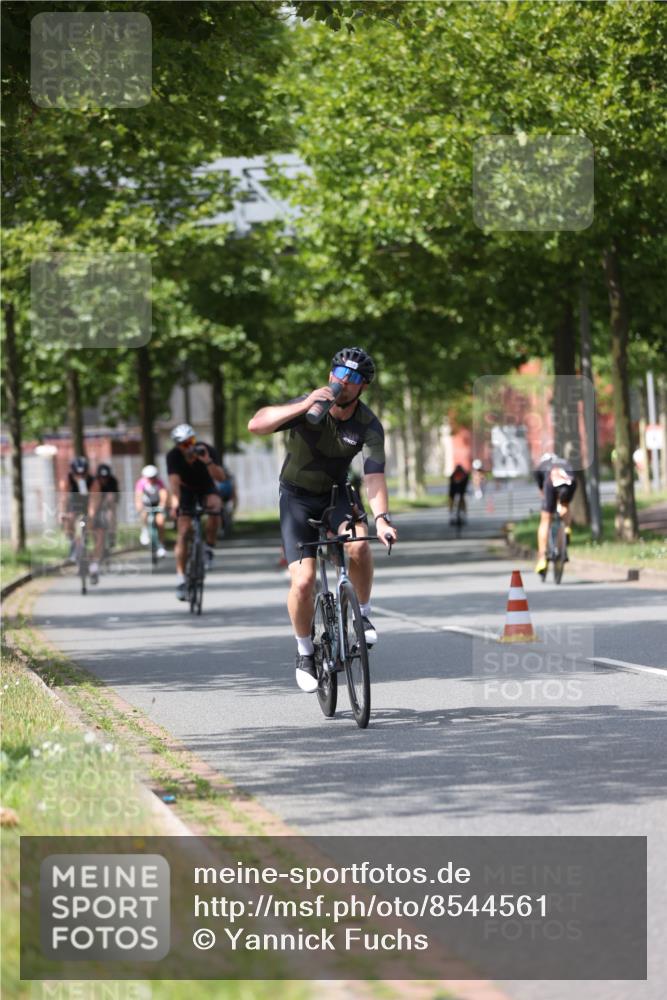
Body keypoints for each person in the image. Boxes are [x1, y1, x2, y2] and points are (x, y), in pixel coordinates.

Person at [248, 346, 397, 693]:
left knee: (359, 545)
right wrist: (304, 405)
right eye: (340, 373)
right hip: (296, 498)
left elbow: (374, 476)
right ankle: (305, 652)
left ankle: (362, 614)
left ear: (363, 387)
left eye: (353, 378)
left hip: (336, 495)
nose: (344, 381)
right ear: (331, 375)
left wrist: (382, 519)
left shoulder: (368, 425)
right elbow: (256, 424)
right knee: (303, 582)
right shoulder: (309, 405)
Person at [166, 424, 225, 601]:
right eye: (184, 444)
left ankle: (209, 548)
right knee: (183, 532)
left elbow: (221, 477)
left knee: (215, 507)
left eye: (191, 441)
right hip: (185, 490)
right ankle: (181, 579)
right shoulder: (173, 456)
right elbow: (174, 483)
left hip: (206, 487)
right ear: (178, 446)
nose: (189, 446)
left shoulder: (205, 450)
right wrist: (175, 503)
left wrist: (207, 461)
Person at [534, 452, 577, 576]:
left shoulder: (541, 466)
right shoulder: (564, 462)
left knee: (545, 519)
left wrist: (546, 500)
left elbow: (542, 489)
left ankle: (542, 558)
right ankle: (567, 528)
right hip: (570, 483)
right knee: (564, 505)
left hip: (550, 482)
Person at [59, 456, 96, 562]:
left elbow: (94, 500)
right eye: (77, 474)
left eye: (83, 474)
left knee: (88, 523)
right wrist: (62, 512)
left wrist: (91, 515)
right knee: (68, 520)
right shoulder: (66, 480)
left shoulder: (93, 482)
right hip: (72, 506)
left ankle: (87, 545)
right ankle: (72, 544)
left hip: (86, 506)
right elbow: (63, 498)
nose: (80, 476)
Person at [88, 462, 120, 583]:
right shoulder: (93, 483)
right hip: (92, 510)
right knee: (95, 540)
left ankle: (112, 532)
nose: (104, 480)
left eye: (106, 477)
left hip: (106, 507)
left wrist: (107, 501)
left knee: (111, 512)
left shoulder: (113, 482)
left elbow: (114, 499)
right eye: (102, 478)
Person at [134, 464, 168, 558]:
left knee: (160, 522)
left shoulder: (159, 482)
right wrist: (139, 507)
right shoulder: (141, 483)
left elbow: (163, 494)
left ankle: (161, 545)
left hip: (157, 504)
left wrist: (162, 505)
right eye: (149, 477)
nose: (151, 479)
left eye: (153, 477)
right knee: (144, 514)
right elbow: (138, 496)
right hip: (146, 505)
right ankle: (145, 530)